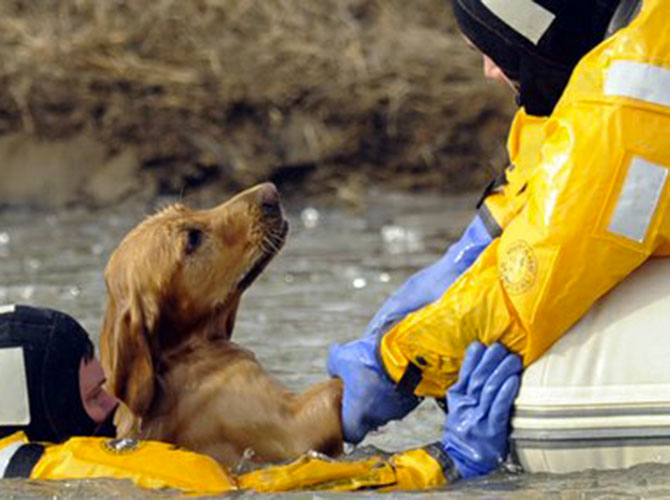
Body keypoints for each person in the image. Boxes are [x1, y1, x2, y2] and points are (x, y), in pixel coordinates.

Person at [328, 0, 654, 464]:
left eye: (495, 52)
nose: (487, 72)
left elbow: (533, 284)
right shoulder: (628, 41)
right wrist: (476, 246)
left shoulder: (634, 100)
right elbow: (551, 167)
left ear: (542, 41)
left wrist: (396, 363)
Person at [0, 304, 520, 492]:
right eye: (94, 394)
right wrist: (441, 463)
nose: (117, 404)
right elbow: (246, 491)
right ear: (44, 414)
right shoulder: (76, 465)